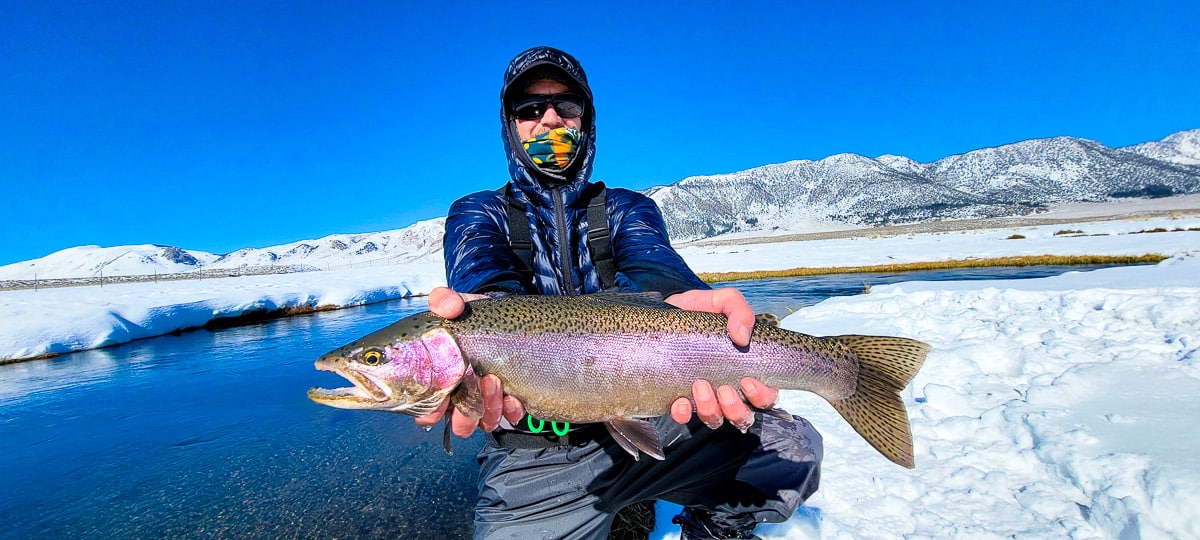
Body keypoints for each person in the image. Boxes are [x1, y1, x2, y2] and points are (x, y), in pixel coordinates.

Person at [415, 46, 822, 540]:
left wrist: (676, 299)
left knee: (793, 450)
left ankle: (714, 521)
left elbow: (654, 267)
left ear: (586, 119)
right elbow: (482, 275)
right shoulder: (479, 214)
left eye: (566, 106)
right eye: (529, 110)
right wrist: (483, 318)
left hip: (655, 414)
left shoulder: (628, 209)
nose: (549, 120)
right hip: (535, 454)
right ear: (510, 126)